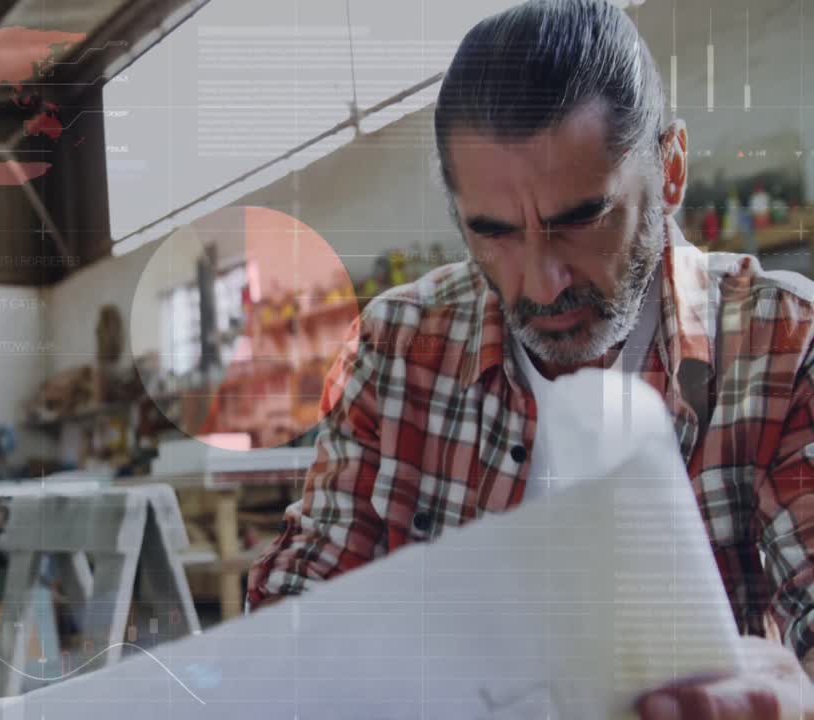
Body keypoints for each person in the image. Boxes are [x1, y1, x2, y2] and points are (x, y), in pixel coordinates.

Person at [246, 1, 814, 717]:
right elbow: (298, 613)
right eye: (496, 233)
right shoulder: (396, 351)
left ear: (670, 171)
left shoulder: (781, 344)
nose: (542, 284)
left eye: (581, 219)